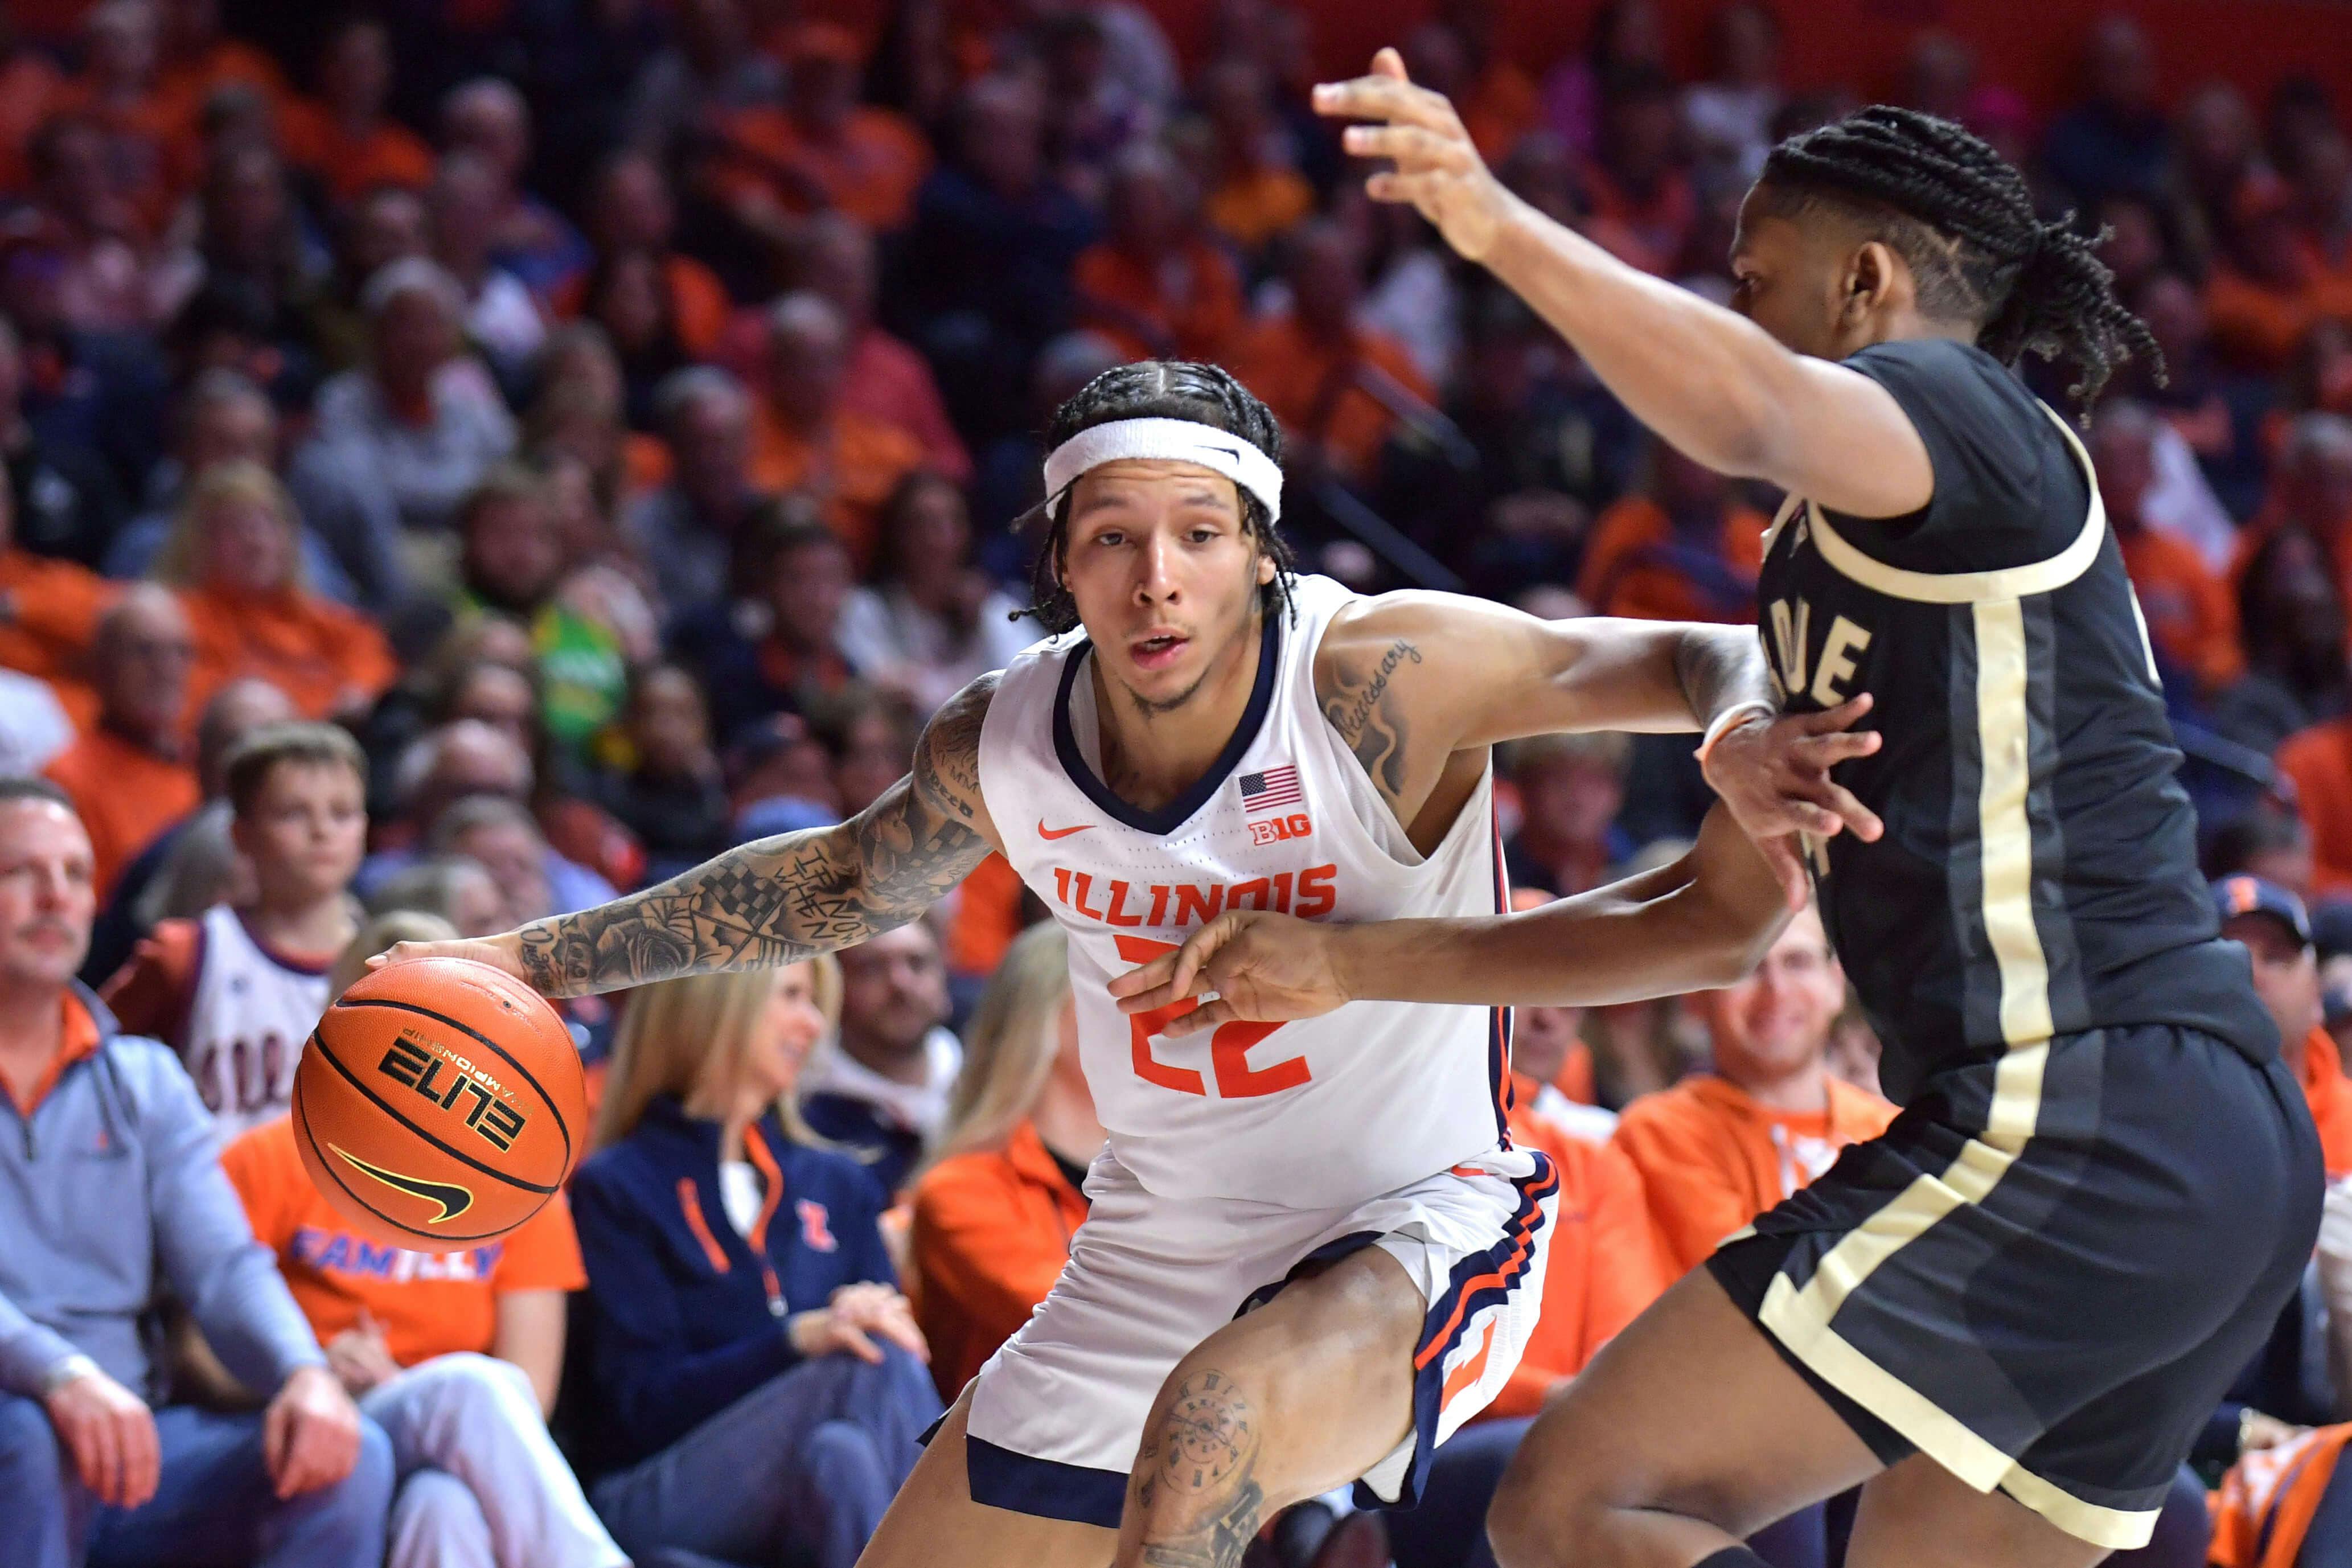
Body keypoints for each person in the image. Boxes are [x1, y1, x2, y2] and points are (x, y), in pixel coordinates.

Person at [372, 349, 1860, 1565]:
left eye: (1199, 535)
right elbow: (837, 878)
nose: (1158, 579)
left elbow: (1695, 655)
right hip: (1148, 1254)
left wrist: (1735, 737)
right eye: (1114, 539)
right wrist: (523, 959)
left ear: (1259, 555)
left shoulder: (1373, 678)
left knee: (1213, 1427)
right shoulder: (1005, 738)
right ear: (1060, 569)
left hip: (1416, 1223)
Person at [1121, 59, 2318, 1567]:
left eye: (1757, 281)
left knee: (1577, 1504)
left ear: (1866, 279)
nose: (1734, 311)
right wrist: (1350, 964)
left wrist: (1492, 222)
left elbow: (1748, 405)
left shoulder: (1965, 415)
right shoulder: (1864, 551)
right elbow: (1714, 917)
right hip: (2199, 1144)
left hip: (2077, 1103)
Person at [0, 776, 391, 1568]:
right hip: (23, 1423)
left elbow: (222, 1266)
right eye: (21, 872)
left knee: (352, 1455)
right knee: (28, 1439)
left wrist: (303, 1373)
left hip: (136, 1437)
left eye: (76, 873)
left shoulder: (146, 1078)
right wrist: (58, 1374)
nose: (56, 896)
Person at [218, 908, 625, 1568]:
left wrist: (406, 1381)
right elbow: (192, 1353)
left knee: (444, 1507)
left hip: (452, 1439)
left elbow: (528, 1394)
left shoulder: (519, 1185)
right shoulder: (265, 1158)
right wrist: (307, 1371)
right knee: (469, 1388)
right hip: (298, 1429)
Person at [566, 959, 942, 1568]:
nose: (815, 1022)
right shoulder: (617, 1187)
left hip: (795, 1493)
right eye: (793, 995)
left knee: (842, 1455)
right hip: (652, 1490)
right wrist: (795, 1342)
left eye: (816, 1001)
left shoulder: (841, 1183)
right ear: (717, 1002)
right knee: (862, 1360)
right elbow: (638, 1409)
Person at [101, 721, 363, 1138]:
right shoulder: (188, 953)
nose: (323, 831)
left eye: (342, 812)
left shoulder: (389, 958)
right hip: (215, 1196)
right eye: (294, 813)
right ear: (242, 834)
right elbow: (90, 1065)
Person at [1608, 901, 1897, 1275]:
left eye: (1797, 962)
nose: (1776, 991)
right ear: (1695, 996)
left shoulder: (1890, 1131)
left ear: (1835, 985)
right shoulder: (1659, 1133)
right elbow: (1752, 1287)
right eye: (1746, 967)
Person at [909, 922, 1098, 1398]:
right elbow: (1083, 1327)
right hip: (1021, 1459)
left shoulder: (1173, 1179)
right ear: (1045, 1019)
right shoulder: (960, 1190)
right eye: (1114, 993)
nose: (1153, 1017)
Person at [151, 460, 399, 721]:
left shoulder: (323, 622)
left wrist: (357, 693)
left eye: (267, 524)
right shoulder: (171, 623)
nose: (255, 540)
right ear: (197, 543)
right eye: (235, 527)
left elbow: (372, 660)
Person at [41, 584, 200, 900]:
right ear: (101, 667)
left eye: (181, 651)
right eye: (145, 650)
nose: (167, 667)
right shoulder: (68, 782)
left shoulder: (203, 764)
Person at [837, 471, 1036, 716]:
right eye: (922, 524)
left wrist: (981, 624)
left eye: (952, 523)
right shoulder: (865, 609)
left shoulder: (993, 608)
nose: (938, 540)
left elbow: (1031, 685)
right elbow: (886, 690)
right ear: (896, 534)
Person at [801, 919, 960, 1195]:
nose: (901, 983)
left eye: (918, 963)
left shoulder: (986, 1080)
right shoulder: (805, 1115)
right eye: (872, 968)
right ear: (832, 986)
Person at [2215, 874, 2352, 1179]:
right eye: (2226, 959)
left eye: (2275, 957)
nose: (2253, 976)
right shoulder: (2165, 1128)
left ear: (2316, 989)